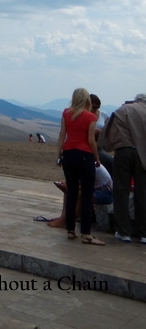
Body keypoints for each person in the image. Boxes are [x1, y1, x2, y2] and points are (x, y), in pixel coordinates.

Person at [56, 88, 104, 245]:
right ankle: (86, 233)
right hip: (85, 156)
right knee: (86, 195)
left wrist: (59, 154)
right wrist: (97, 157)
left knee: (71, 192)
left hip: (68, 154)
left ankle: (70, 230)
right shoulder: (90, 117)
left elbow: (62, 134)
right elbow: (91, 140)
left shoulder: (66, 113)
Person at [98, 93, 146, 243]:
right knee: (142, 192)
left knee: (121, 191)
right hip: (142, 153)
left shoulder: (123, 109)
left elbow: (110, 130)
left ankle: (124, 231)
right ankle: (143, 233)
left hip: (123, 150)